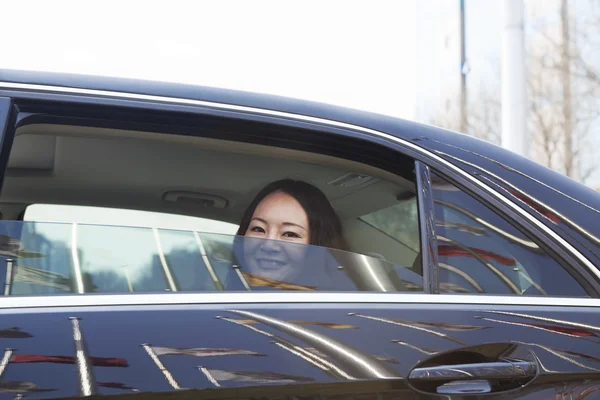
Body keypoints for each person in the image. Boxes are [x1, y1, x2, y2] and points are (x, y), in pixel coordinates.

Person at [234, 179, 345, 284]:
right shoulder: (222, 296)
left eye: (290, 234)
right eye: (258, 229)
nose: (269, 245)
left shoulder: (340, 303)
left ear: (318, 245)